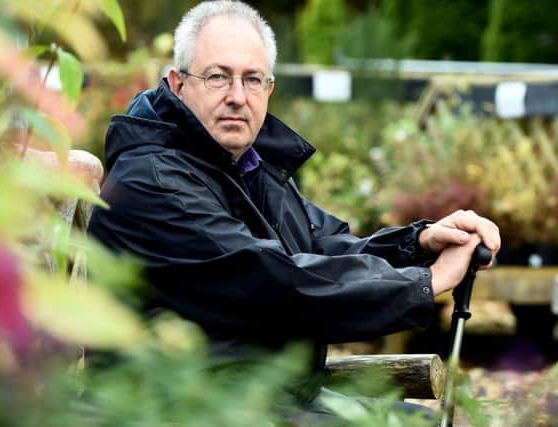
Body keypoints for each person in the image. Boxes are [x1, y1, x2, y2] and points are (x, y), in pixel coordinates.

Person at [88, 0, 500, 422]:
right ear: (177, 84)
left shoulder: (244, 167)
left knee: (424, 422)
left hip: (260, 396)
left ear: (269, 90)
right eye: (217, 77)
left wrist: (418, 244)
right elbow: (276, 284)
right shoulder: (152, 181)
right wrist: (426, 283)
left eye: (252, 80)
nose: (236, 96)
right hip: (179, 406)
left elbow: (324, 245)